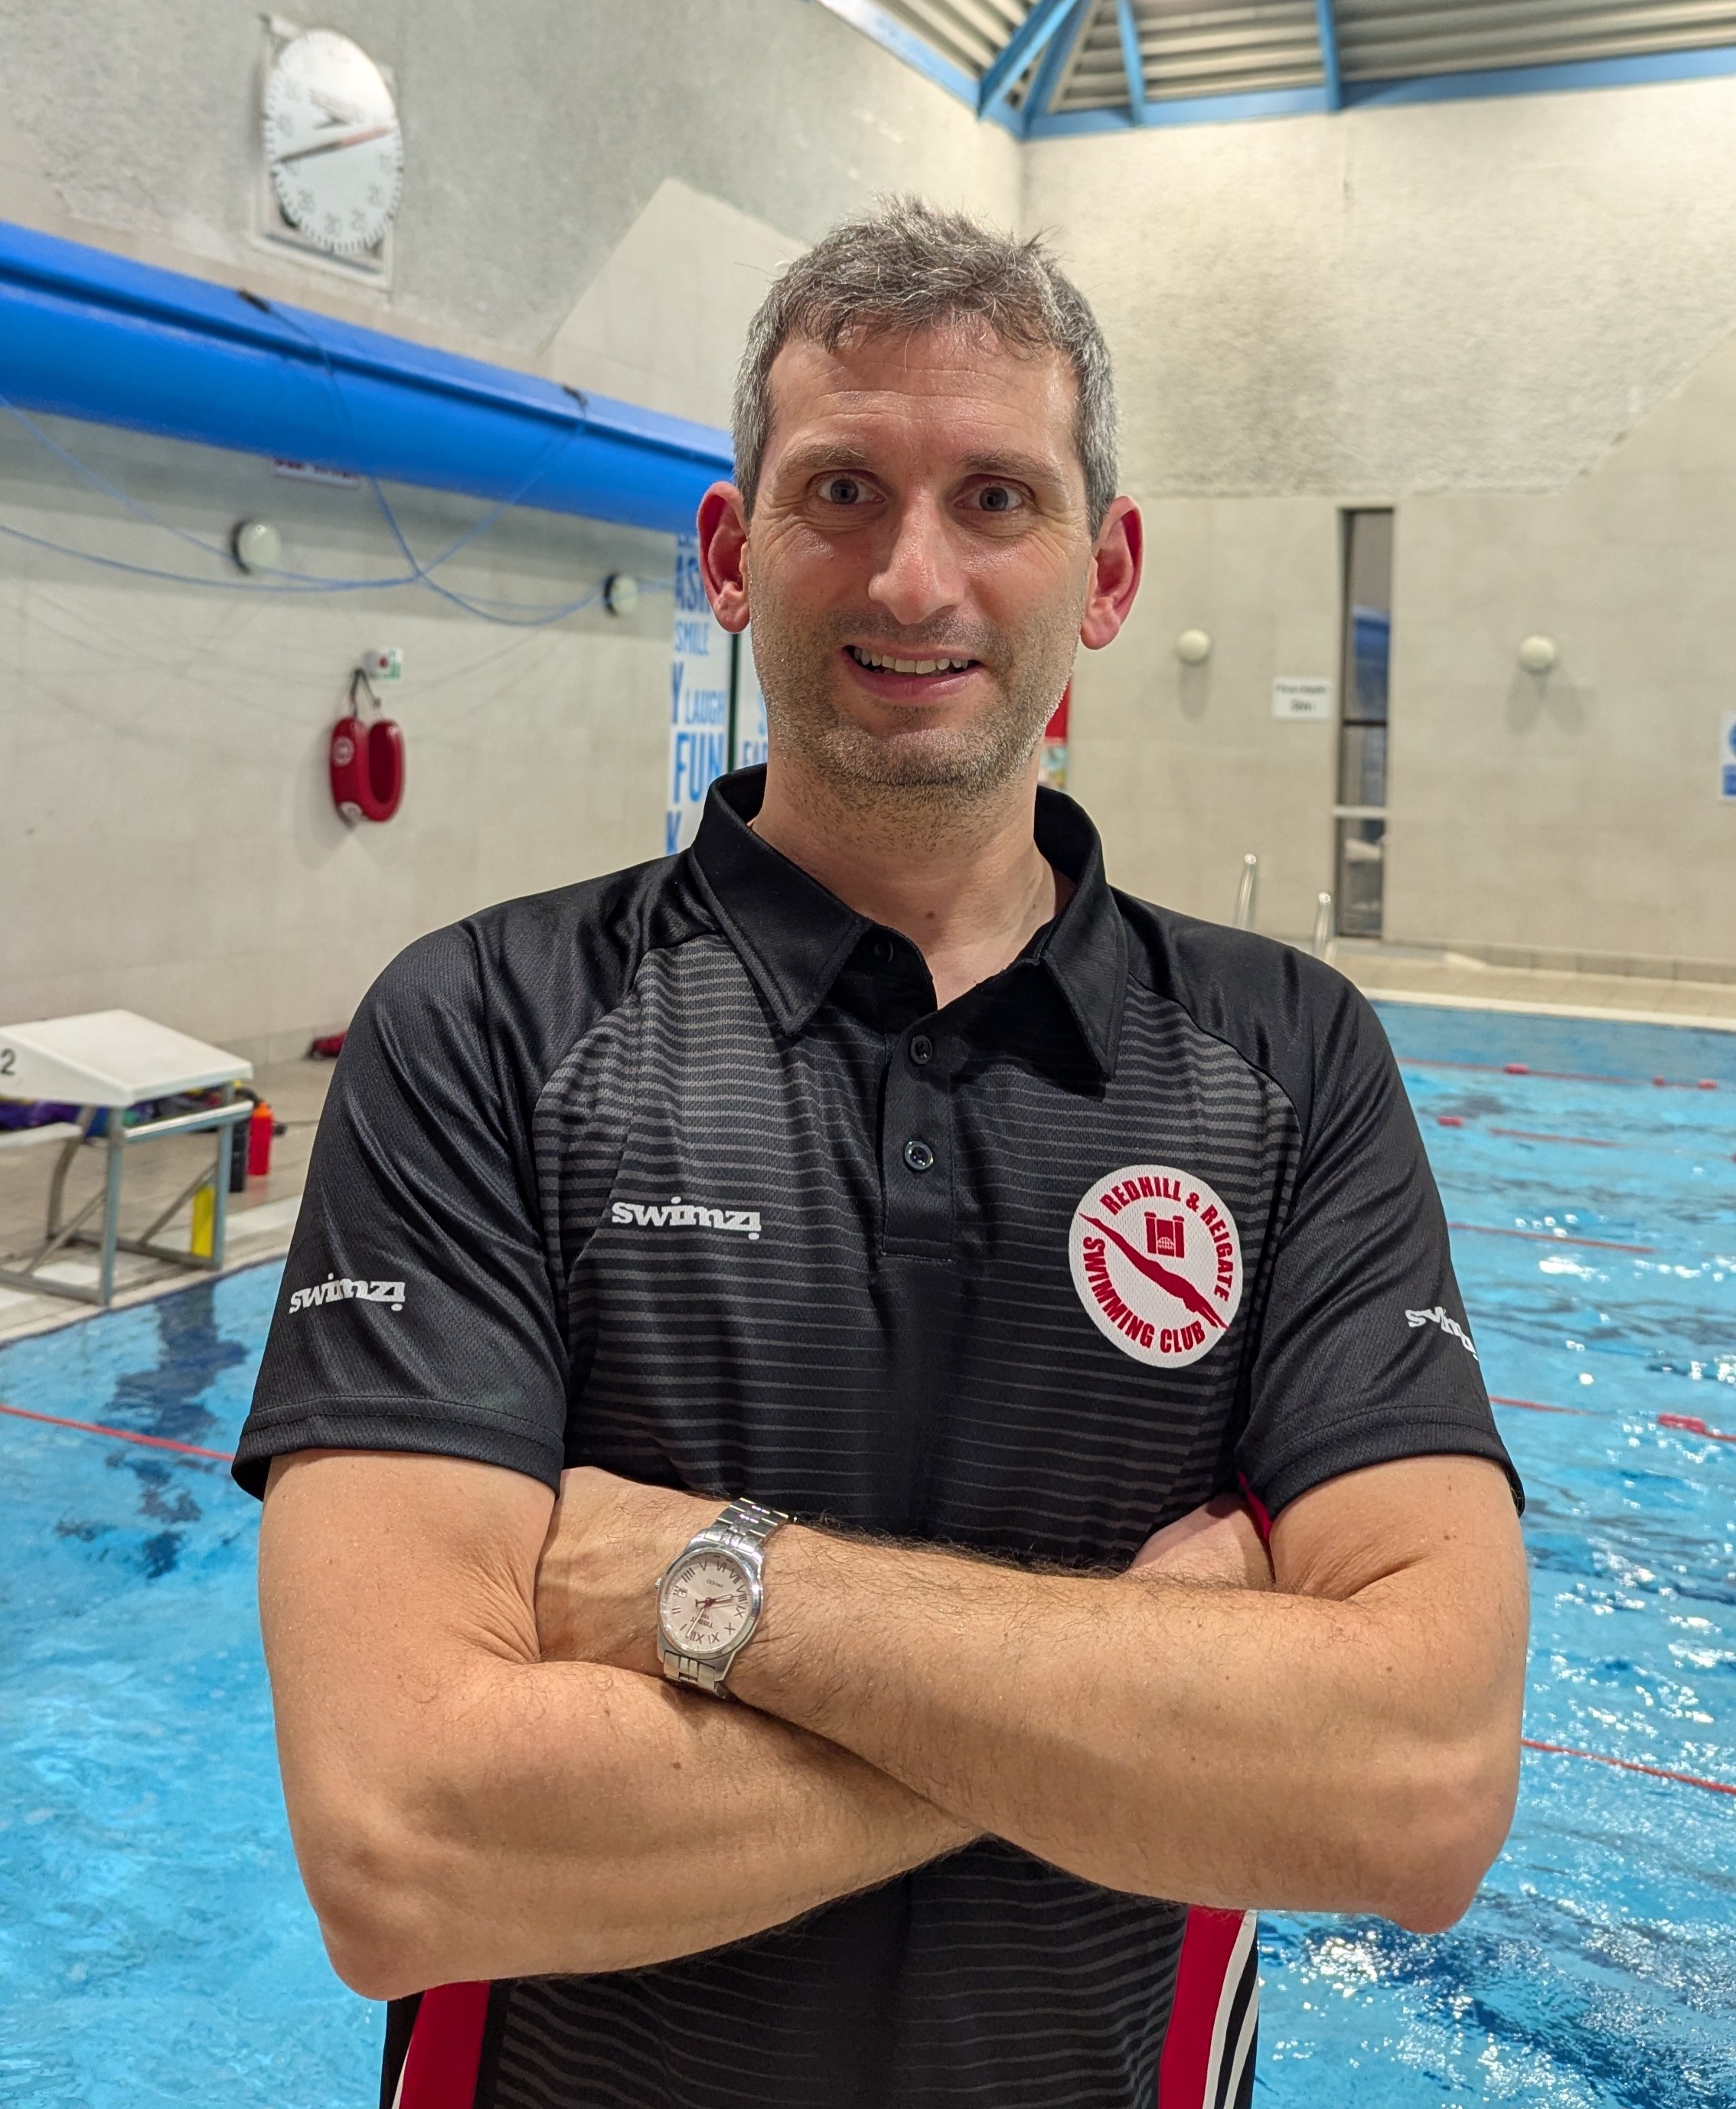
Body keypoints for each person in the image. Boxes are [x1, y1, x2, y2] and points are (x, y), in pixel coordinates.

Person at [236, 198, 1528, 2109]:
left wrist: (718, 1587)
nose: (916, 580)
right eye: (841, 491)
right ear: (728, 554)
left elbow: (1417, 1793)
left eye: (996, 499)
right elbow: (406, 1843)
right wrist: (1151, 1695)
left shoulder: (1286, 1063)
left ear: (1106, 569)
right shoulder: (490, 1028)